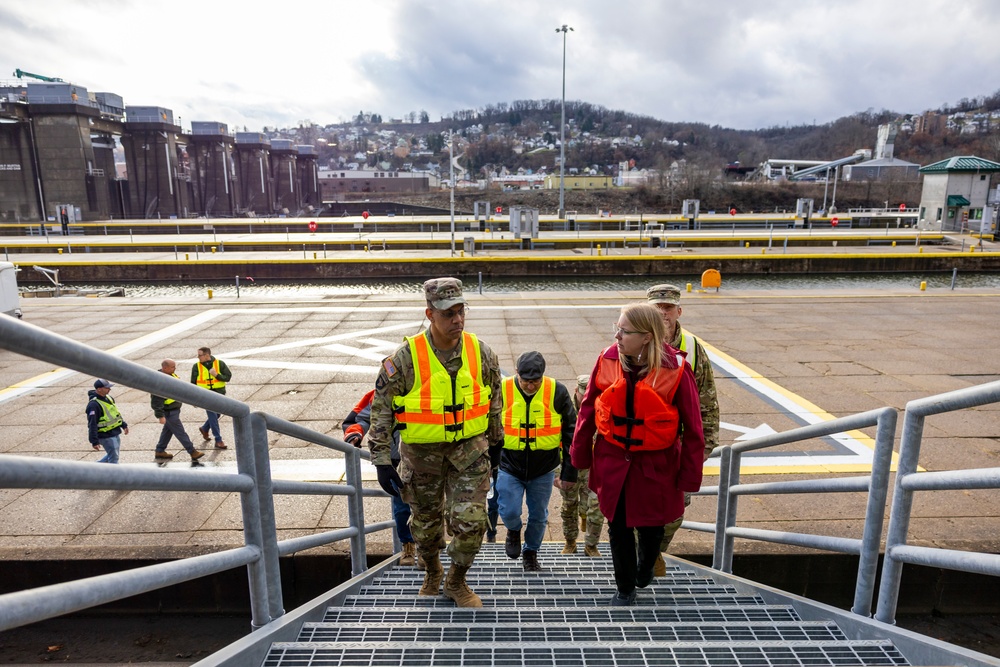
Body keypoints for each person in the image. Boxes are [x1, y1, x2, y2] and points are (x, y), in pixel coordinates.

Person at [367, 277, 503, 608]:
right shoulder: (404, 359)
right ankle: (432, 570)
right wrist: (382, 460)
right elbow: (381, 411)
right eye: (448, 314)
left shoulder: (481, 352)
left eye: (461, 311)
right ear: (430, 314)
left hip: (469, 453)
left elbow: (494, 400)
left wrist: (498, 445)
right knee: (425, 530)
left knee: (471, 523)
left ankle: (456, 580)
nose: (457, 320)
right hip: (421, 457)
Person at [570, 303, 704, 606]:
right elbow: (588, 409)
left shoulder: (677, 370)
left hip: (656, 466)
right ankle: (625, 588)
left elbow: (694, 430)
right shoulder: (606, 360)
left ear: (646, 337)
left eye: (625, 331)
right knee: (617, 527)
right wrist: (579, 455)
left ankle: (645, 568)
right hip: (612, 461)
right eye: (616, 328)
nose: (617, 336)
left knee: (652, 527)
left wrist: (688, 476)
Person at [647, 283, 721, 574]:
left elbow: (708, 400)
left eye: (668, 308)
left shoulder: (692, 348)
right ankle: (642, 558)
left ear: (679, 311)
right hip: (643, 445)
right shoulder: (635, 341)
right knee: (637, 508)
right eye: (657, 308)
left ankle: (654, 551)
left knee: (675, 512)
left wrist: (704, 448)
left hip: (677, 448)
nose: (663, 313)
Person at [497, 351, 577, 572]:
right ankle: (513, 530)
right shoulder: (503, 390)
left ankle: (531, 552)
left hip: (543, 469)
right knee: (509, 510)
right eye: (526, 381)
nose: (531, 386)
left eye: (535, 382)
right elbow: (489, 428)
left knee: (539, 516)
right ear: (516, 374)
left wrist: (570, 471)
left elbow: (572, 432)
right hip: (509, 465)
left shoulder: (557, 391)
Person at [342, 388, 416, 567]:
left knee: (432, 502)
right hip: (395, 458)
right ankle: (408, 546)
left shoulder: (431, 381)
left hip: (426, 454)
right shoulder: (382, 390)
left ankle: (430, 545)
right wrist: (355, 434)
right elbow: (359, 418)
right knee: (401, 506)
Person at [558, 374, 605, 557]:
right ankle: (570, 542)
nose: (586, 399)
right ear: (576, 391)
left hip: (594, 468)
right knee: (569, 506)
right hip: (570, 468)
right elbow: (553, 439)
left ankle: (591, 545)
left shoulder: (601, 408)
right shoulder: (565, 410)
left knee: (596, 507)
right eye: (583, 395)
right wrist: (556, 472)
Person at [151, 359, 204, 462]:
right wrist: (160, 415)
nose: (174, 369)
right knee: (180, 432)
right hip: (169, 412)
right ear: (165, 368)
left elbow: (180, 391)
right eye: (172, 367)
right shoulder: (160, 381)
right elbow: (156, 401)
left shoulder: (171, 375)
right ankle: (192, 451)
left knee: (168, 431)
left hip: (174, 410)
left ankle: (160, 450)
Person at [190, 346, 231, 450]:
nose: (198, 357)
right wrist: (193, 398)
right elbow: (193, 383)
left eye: (200, 355)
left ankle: (204, 428)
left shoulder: (219, 364)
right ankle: (218, 440)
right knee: (213, 416)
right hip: (205, 395)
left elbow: (228, 377)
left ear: (207, 355)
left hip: (219, 394)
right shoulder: (196, 366)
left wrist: (217, 375)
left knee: (217, 414)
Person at [86, 379, 129, 464]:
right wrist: (94, 441)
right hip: (105, 435)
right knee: (114, 457)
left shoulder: (109, 398)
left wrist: (123, 425)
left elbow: (115, 413)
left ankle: (95, 467)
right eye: (107, 388)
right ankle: (114, 476)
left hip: (114, 432)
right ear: (99, 389)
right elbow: (92, 424)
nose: (109, 389)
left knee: (113, 454)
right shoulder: (93, 405)